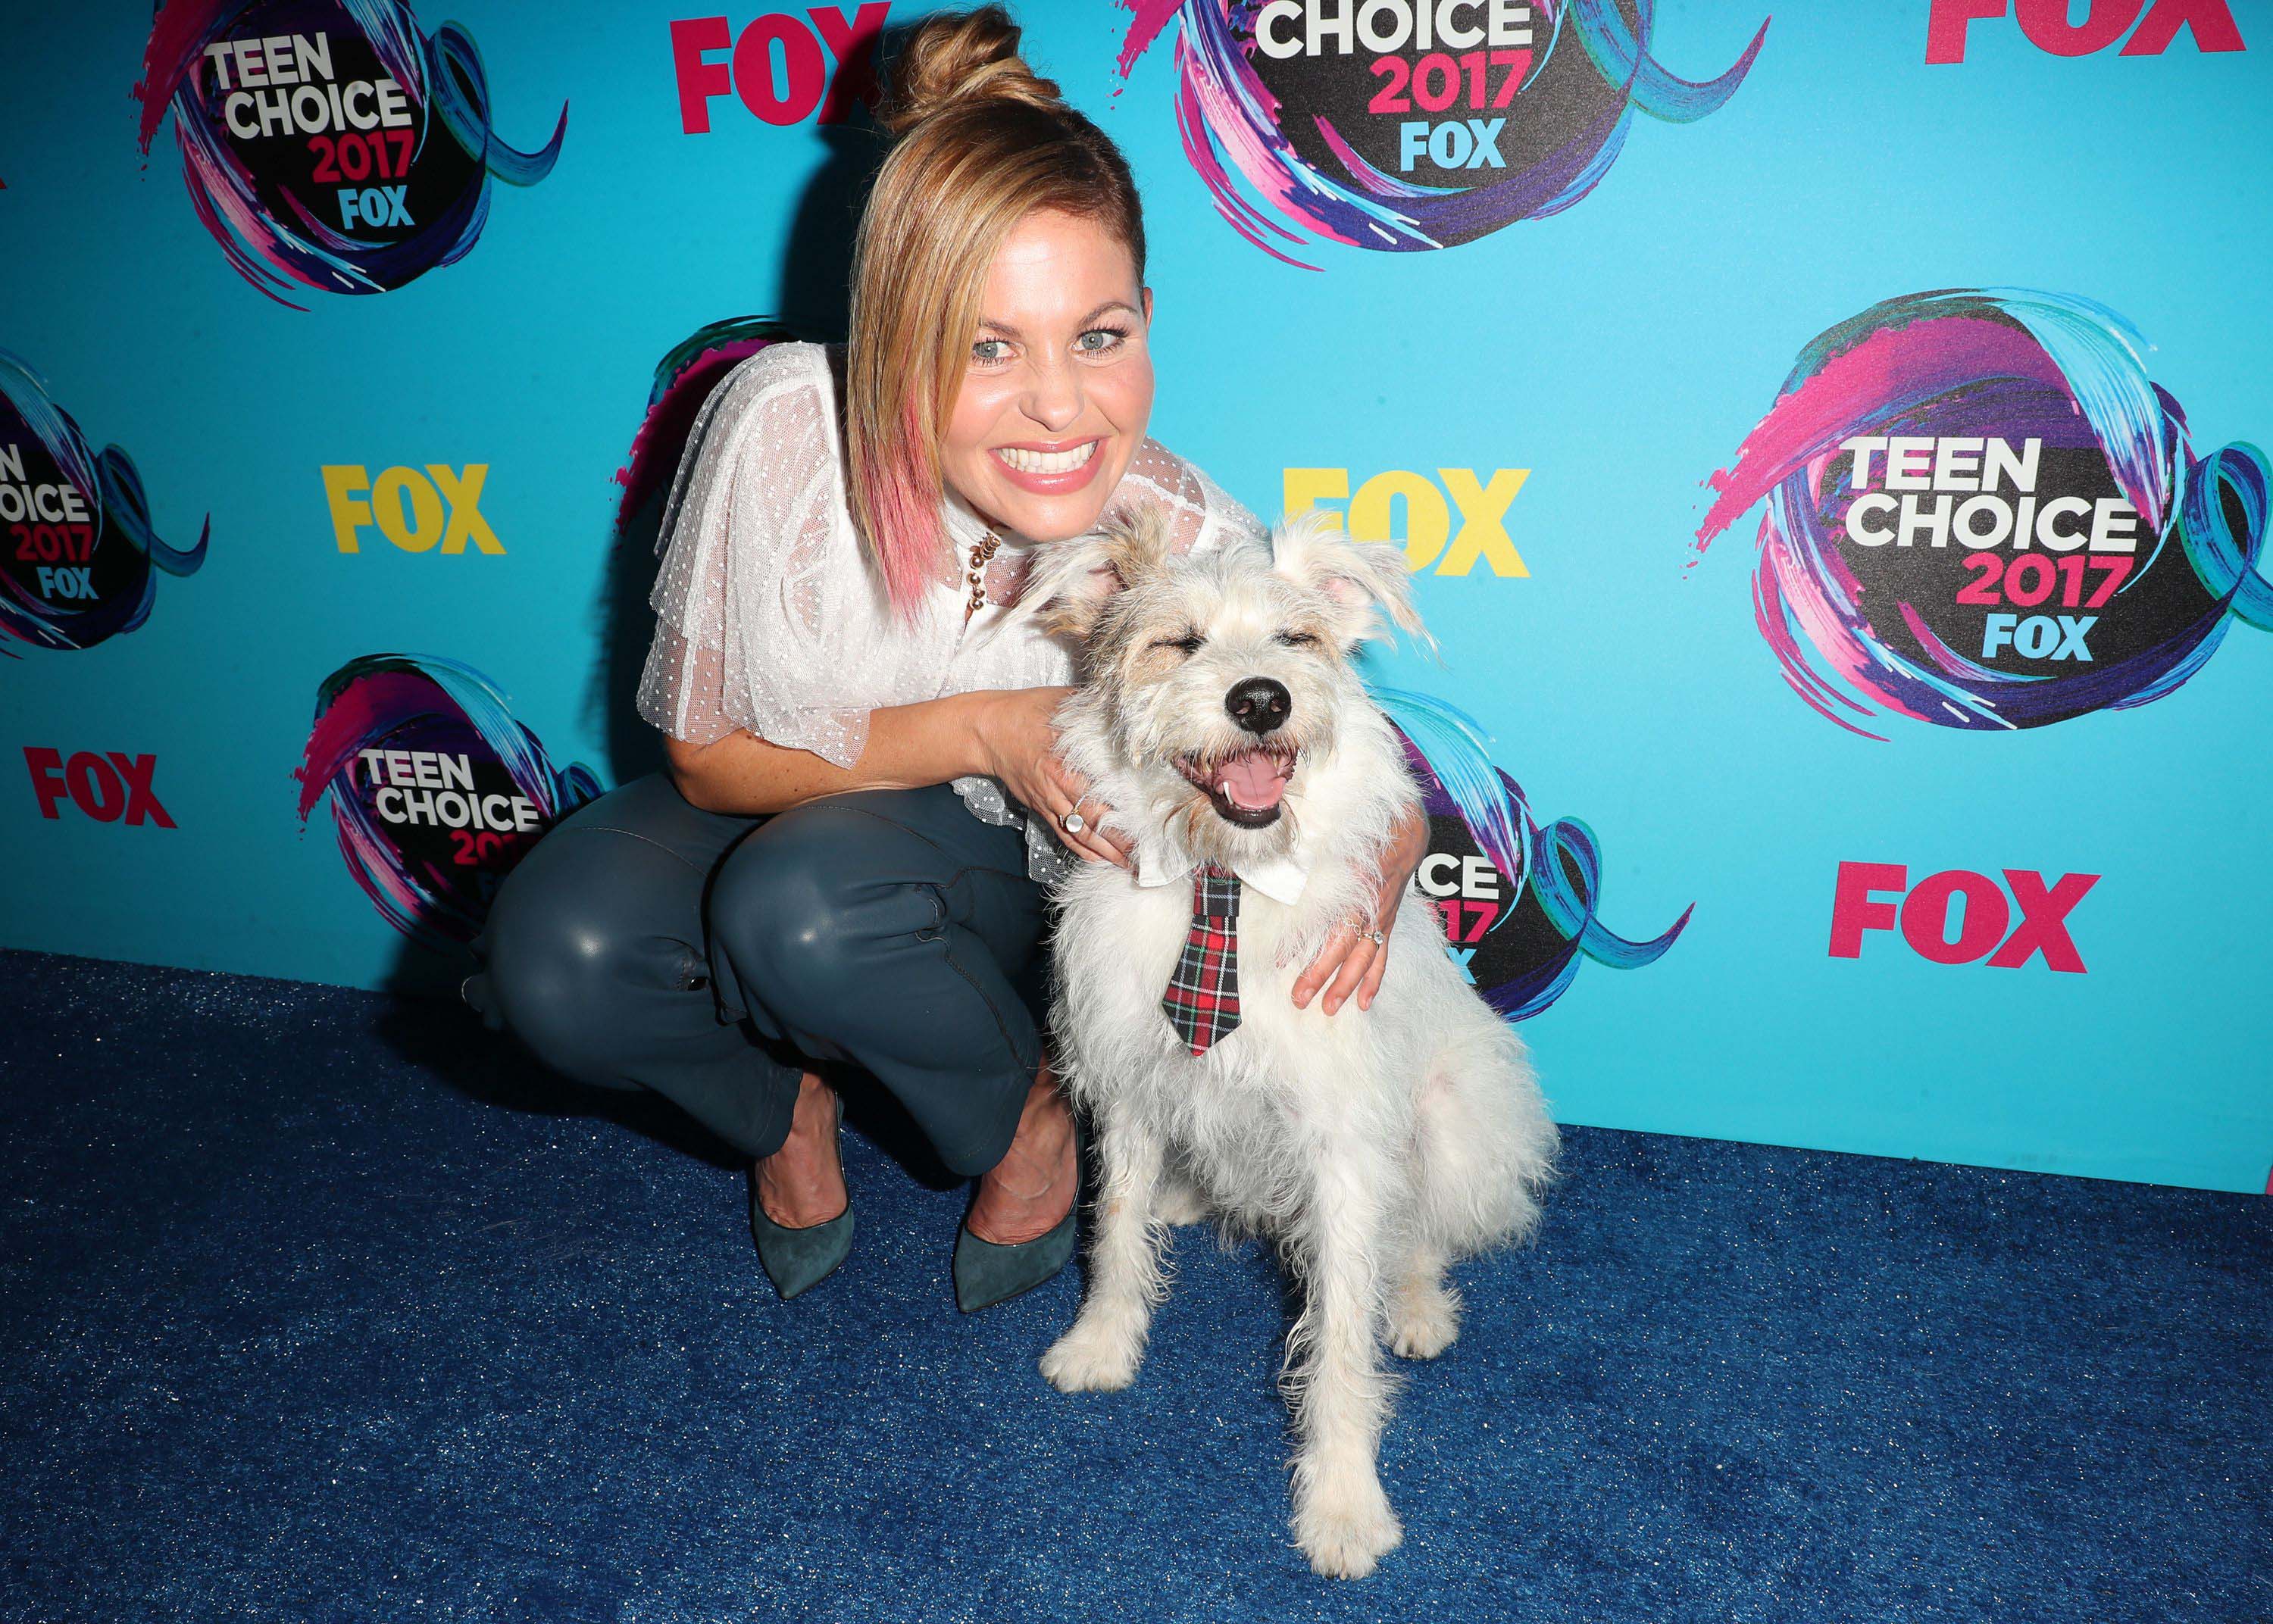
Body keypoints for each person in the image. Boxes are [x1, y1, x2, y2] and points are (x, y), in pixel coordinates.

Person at [461, 3, 1430, 1311]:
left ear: (1147, 316)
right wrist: (986, 729)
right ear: (897, 333)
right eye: (987, 346)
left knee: (802, 908)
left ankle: (1031, 1119)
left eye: (1099, 336)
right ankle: (779, 1117)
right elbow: (701, 759)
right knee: (557, 959)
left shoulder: (1180, 534)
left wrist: (1375, 888)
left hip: (997, 908)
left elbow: (1361, 767)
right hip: (786, 800)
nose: (1059, 405)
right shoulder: (780, 427)